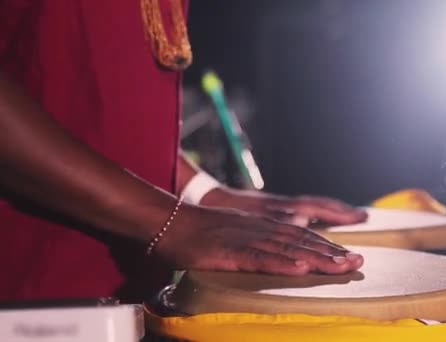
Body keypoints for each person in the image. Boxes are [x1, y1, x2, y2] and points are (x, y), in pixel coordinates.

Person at [0, 0, 366, 303]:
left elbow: (96, 100)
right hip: (30, 292)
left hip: (129, 290)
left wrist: (203, 194)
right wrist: (170, 220)